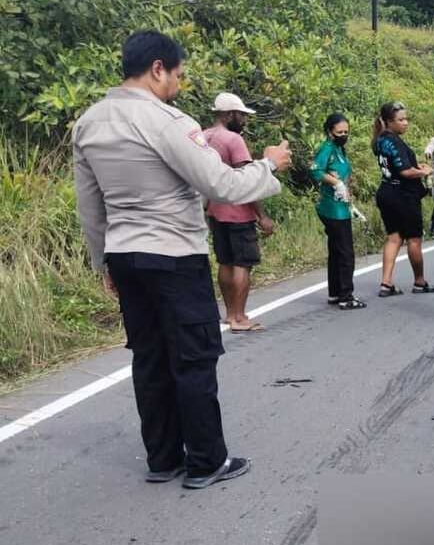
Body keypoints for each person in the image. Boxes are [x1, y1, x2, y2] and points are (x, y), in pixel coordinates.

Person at [72, 30, 291, 489]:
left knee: (149, 357)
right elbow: (223, 186)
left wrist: (104, 262)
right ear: (157, 69)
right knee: (194, 356)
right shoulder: (168, 121)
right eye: (178, 74)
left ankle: (163, 458)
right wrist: (268, 164)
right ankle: (207, 460)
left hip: (124, 255)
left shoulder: (89, 123)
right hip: (173, 254)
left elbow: (90, 206)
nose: (179, 83)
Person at [203, 91, 274, 333]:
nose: (243, 120)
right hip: (238, 212)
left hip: (214, 209)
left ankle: (229, 313)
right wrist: (261, 215)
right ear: (229, 114)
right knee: (243, 263)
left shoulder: (203, 137)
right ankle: (240, 317)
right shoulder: (233, 140)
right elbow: (248, 181)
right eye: (241, 115)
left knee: (225, 261)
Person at [372, 100, 434, 297]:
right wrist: (424, 172)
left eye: (406, 119)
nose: (405, 123)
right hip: (403, 195)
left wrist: (414, 168)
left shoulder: (379, 141)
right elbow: (405, 171)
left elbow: (395, 167)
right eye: (400, 120)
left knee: (393, 237)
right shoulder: (394, 142)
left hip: (386, 191)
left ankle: (386, 282)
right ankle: (419, 281)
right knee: (414, 239)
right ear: (388, 122)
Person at [311, 113, 364, 309]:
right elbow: (315, 170)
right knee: (345, 253)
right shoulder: (327, 149)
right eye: (339, 132)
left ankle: (335, 293)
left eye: (346, 132)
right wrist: (335, 182)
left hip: (341, 206)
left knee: (336, 251)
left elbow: (344, 175)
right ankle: (346, 296)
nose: (343, 134)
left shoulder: (339, 149)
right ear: (330, 131)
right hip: (332, 209)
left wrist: (351, 204)